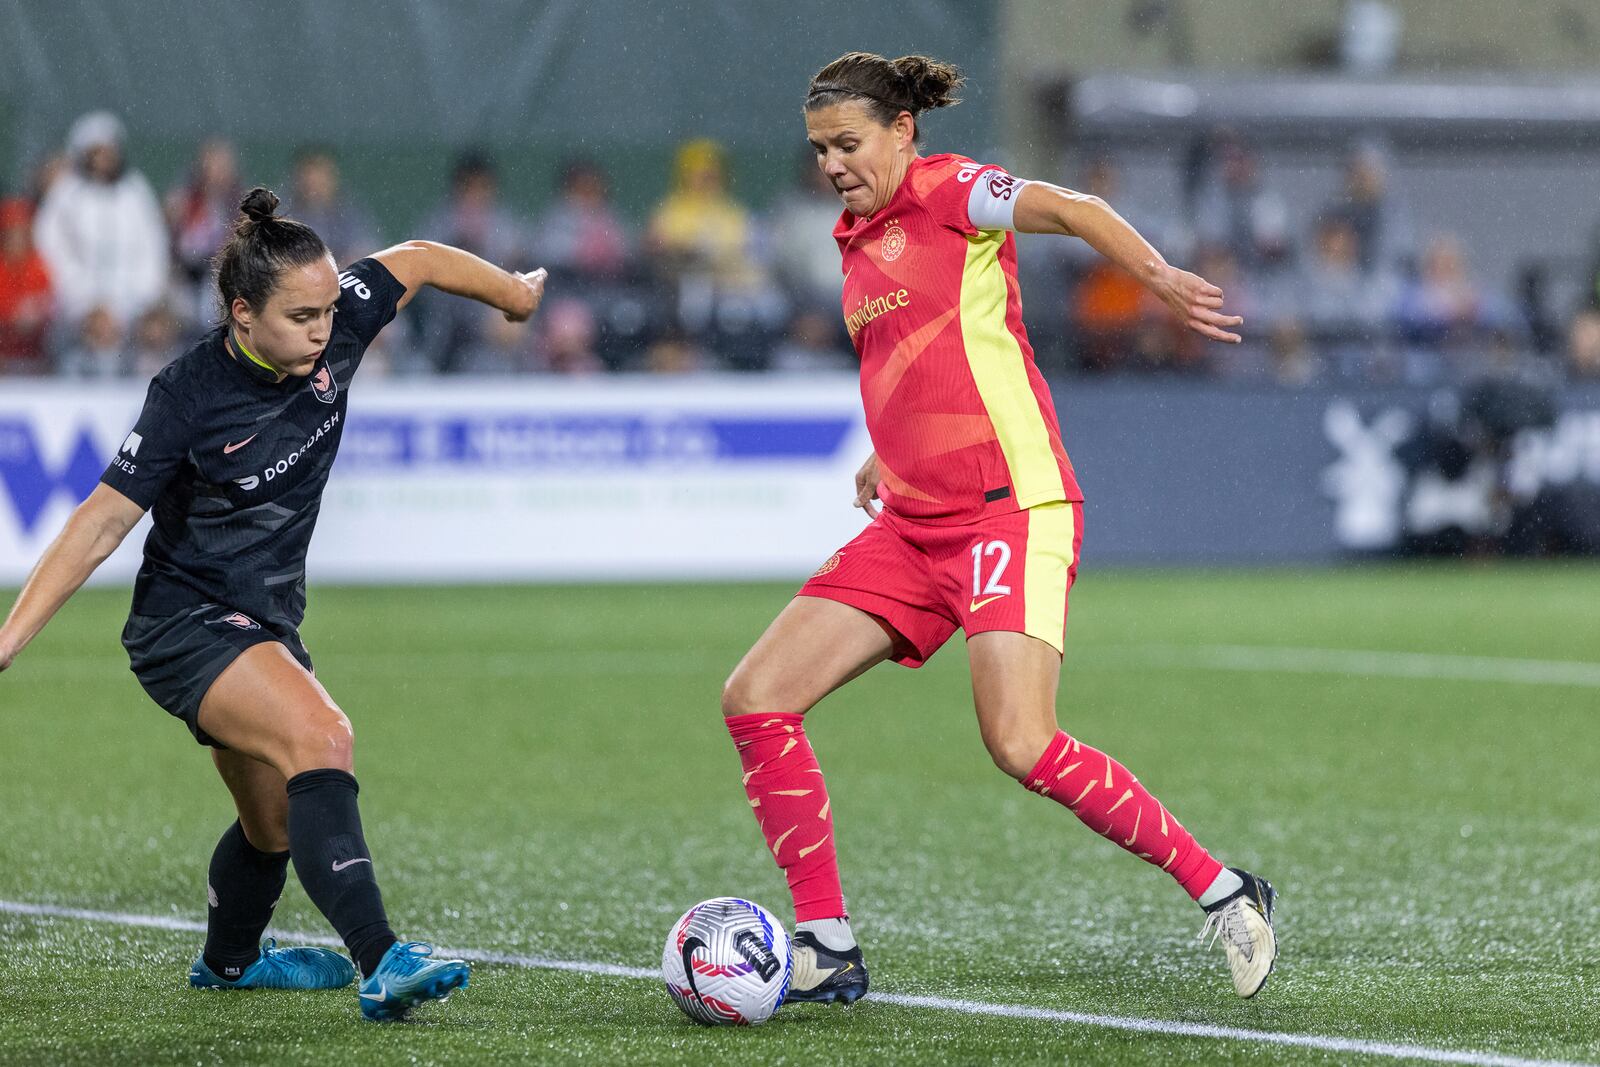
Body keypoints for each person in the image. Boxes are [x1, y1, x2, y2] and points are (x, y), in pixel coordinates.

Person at [721, 52, 1278, 1007]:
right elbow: (921, 357)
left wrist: (1155, 277)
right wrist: (885, 452)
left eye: (848, 144)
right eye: (819, 150)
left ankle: (1225, 889)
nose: (833, 165)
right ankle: (825, 942)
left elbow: (1071, 209)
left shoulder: (949, 189)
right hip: (911, 521)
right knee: (756, 696)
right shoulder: (856, 235)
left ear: (903, 132)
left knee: (1021, 742)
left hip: (1007, 507)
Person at [0, 188, 546, 1021]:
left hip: (267, 620)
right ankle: (381, 959)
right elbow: (101, 520)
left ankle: (228, 962)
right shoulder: (187, 394)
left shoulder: (338, 324)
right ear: (240, 313)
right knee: (322, 735)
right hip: (184, 624)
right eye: (301, 316)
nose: (324, 330)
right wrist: (9, 638)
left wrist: (512, 294)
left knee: (274, 828)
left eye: (329, 308)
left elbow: (422, 259)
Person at [31, 111, 169, 332]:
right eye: (98, 152)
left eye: (109, 151)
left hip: (134, 305)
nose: (105, 158)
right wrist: (83, 299)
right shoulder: (66, 193)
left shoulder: (134, 190)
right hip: (79, 306)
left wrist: (143, 295)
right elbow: (52, 247)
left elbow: (153, 243)